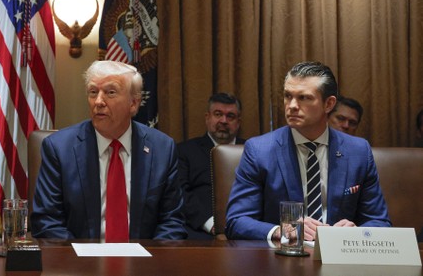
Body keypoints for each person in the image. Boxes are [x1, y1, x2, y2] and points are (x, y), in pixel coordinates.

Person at [226, 61, 390, 241]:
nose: (292, 105)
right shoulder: (259, 150)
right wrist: (283, 231)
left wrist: (356, 232)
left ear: (329, 104)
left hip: (338, 253)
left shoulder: (358, 151)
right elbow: (236, 221)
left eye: (304, 98)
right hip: (283, 253)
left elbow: (379, 222)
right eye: (288, 96)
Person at [31, 60, 186, 240]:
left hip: (143, 256)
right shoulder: (59, 148)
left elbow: (172, 222)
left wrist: (151, 256)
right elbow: (47, 221)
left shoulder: (162, 149)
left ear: (134, 103)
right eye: (93, 92)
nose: (98, 101)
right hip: (78, 255)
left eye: (110, 92)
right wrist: (81, 255)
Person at [177, 93, 245, 238]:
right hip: (199, 231)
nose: (224, 121)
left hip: (246, 231)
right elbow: (180, 192)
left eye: (230, 116)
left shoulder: (252, 150)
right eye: (218, 114)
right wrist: (211, 224)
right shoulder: (184, 151)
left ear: (238, 122)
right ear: (207, 117)